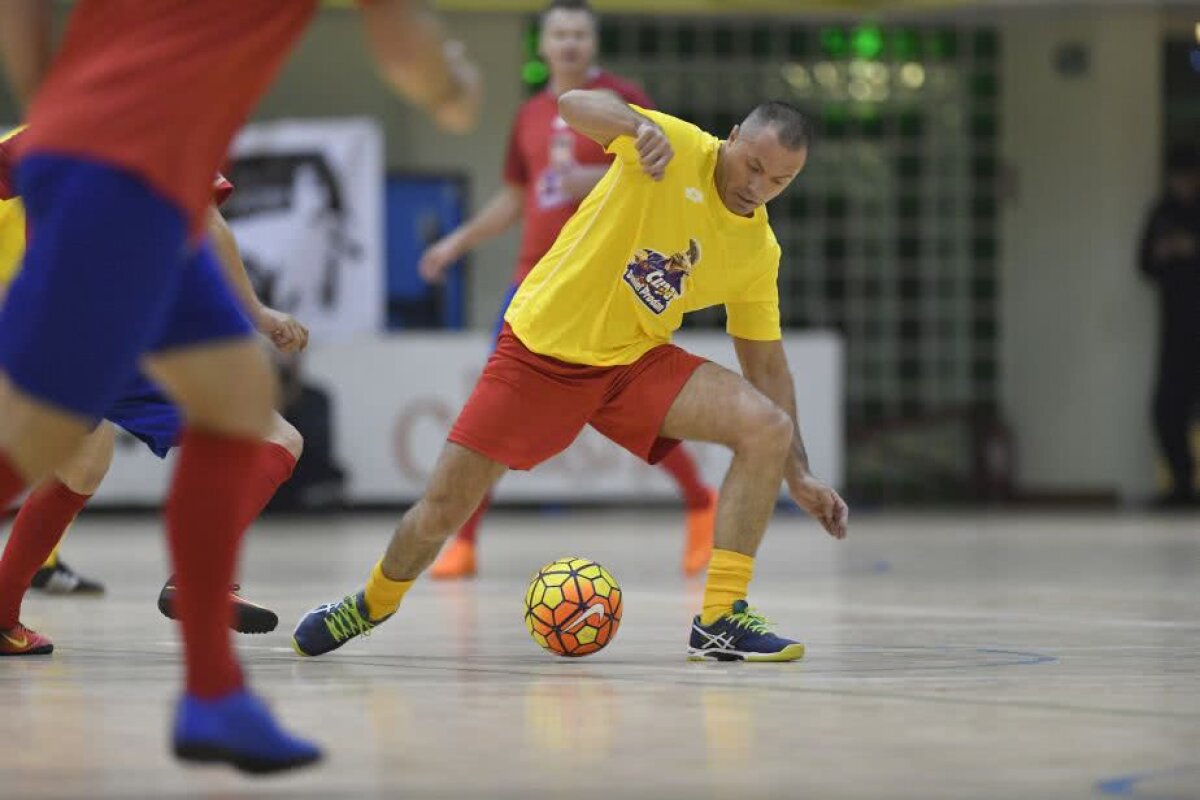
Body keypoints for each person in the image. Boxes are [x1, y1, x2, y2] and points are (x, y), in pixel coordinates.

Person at [0, 0, 480, 774]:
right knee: (51, 436)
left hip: (139, 179)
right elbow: (408, 50)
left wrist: (44, 93)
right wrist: (453, 89)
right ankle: (210, 690)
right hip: (113, 173)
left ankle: (213, 694)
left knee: (233, 404)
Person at [295, 93, 848, 664]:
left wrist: (799, 474)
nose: (758, 187)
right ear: (731, 137)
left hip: (632, 361)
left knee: (767, 426)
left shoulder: (758, 251)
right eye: (752, 166)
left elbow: (767, 367)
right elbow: (574, 104)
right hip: (539, 353)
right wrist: (636, 126)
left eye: (779, 181)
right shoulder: (677, 145)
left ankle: (720, 619)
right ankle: (372, 603)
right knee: (440, 510)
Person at [419, 0, 716, 580]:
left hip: (602, 280)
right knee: (493, 409)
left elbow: (665, 171)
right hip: (533, 282)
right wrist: (454, 243)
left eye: (581, 33)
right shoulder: (530, 114)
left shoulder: (622, 99)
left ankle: (700, 502)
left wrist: (595, 177)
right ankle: (466, 541)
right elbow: (516, 197)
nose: (571, 43)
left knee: (626, 406)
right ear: (544, 46)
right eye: (561, 34)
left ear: (594, 43)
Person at [0, 126, 306, 641]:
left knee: (80, 464)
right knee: (275, 438)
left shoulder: (52, 123)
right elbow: (209, 225)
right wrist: (257, 313)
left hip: (53, 325)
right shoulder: (167, 120)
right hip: (127, 328)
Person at [1138, 143, 1200, 508]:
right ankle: (1181, 484)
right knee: (1167, 409)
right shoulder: (1161, 213)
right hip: (1175, 327)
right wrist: (1163, 253)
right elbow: (1143, 263)